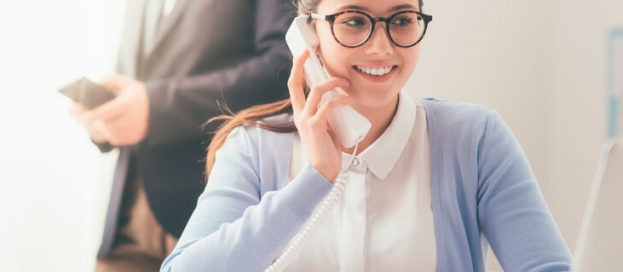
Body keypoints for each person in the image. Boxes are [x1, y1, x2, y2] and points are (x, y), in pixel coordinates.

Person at [160, 0, 574, 271]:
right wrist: (315, 180)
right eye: (354, 21)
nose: (381, 47)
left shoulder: (474, 140)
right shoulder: (254, 147)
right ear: (308, 34)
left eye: (401, 20)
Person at [71, 0, 295, 271]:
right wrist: (107, 118)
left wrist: (157, 109)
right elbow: (138, 77)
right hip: (127, 220)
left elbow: (283, 68)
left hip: (209, 212)